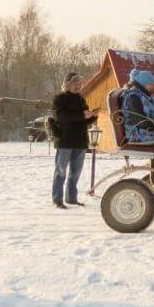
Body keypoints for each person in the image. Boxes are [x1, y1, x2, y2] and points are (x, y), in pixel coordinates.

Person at [51, 71, 97, 209]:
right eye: (75, 83)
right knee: (61, 171)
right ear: (67, 84)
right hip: (65, 140)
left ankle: (71, 198)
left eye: (80, 83)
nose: (78, 86)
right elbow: (61, 117)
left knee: (75, 172)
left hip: (80, 141)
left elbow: (84, 120)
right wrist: (82, 115)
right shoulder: (59, 99)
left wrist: (92, 116)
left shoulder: (81, 99)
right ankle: (57, 200)